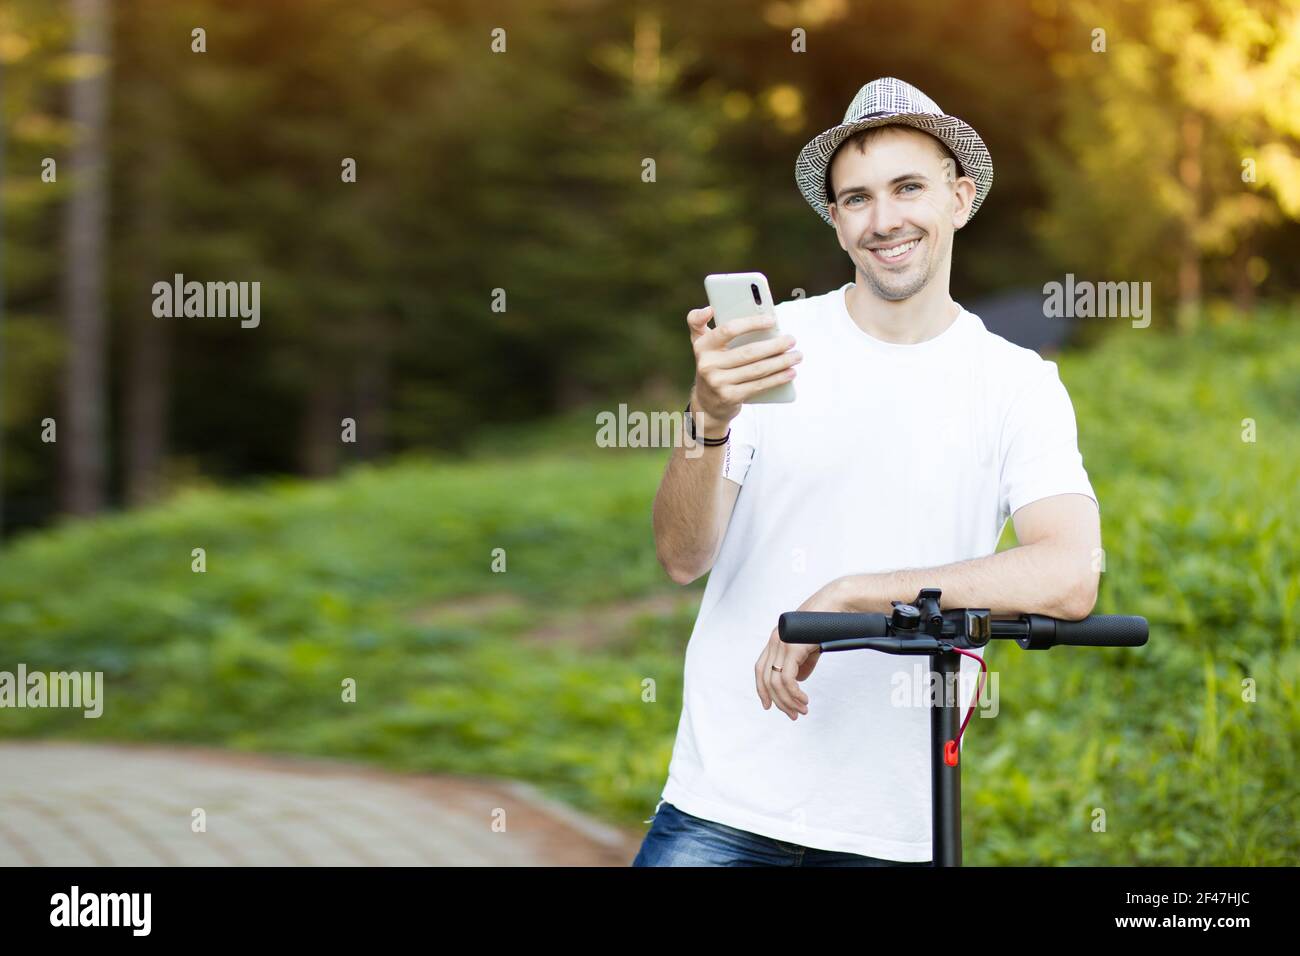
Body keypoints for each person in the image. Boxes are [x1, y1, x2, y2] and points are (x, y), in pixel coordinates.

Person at [634, 77, 1102, 867]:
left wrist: (849, 593)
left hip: (890, 828)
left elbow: (1070, 574)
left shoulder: (1017, 382)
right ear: (838, 223)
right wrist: (706, 420)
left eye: (907, 188)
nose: (884, 221)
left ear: (958, 197)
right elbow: (683, 555)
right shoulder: (771, 342)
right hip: (724, 807)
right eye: (856, 199)